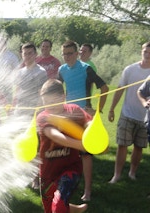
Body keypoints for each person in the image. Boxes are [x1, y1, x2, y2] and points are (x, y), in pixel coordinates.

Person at [58, 40, 109, 201]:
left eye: (70, 53)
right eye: (64, 54)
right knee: (66, 153)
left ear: (77, 53)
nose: (67, 57)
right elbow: (58, 91)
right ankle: (65, 186)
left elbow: (104, 88)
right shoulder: (61, 69)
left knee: (85, 154)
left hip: (84, 117)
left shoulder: (86, 69)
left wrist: (98, 110)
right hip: (67, 116)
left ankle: (87, 191)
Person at [37, 79, 90, 213]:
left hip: (70, 168)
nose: (50, 106)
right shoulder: (43, 117)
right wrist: (81, 144)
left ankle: (67, 208)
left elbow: (90, 122)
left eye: (54, 101)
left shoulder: (74, 110)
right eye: (46, 102)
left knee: (58, 206)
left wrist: (91, 133)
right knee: (50, 209)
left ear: (63, 96)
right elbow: (54, 135)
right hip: (48, 172)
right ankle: (75, 210)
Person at [108, 41, 150, 184]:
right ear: (141, 51)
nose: (147, 54)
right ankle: (117, 175)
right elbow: (120, 89)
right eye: (145, 51)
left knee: (139, 147)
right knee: (122, 145)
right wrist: (112, 108)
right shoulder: (130, 69)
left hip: (145, 117)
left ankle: (132, 172)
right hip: (127, 114)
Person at [13, 42, 48, 118]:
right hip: (20, 110)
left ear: (36, 54)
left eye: (30, 53)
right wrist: (14, 107)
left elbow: (42, 94)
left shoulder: (41, 72)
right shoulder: (19, 72)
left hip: (34, 111)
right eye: (25, 54)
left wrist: (37, 112)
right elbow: (17, 91)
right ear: (22, 55)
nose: (27, 56)